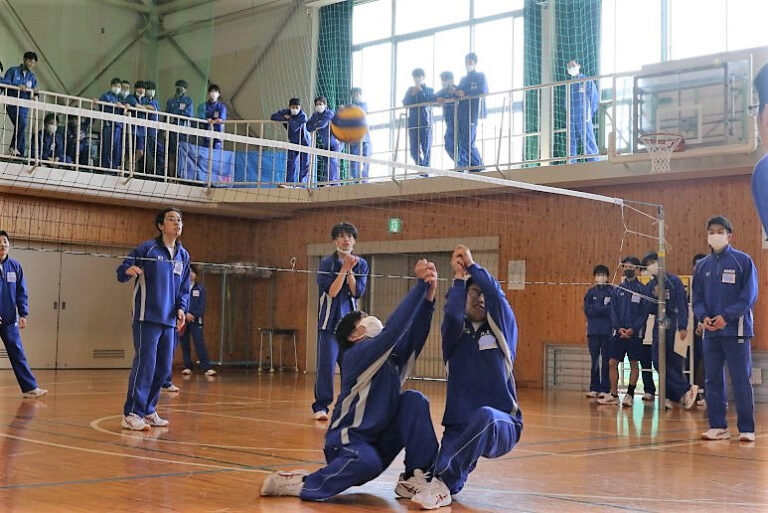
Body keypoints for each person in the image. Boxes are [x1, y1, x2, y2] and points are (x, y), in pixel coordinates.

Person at [260, 260, 439, 501]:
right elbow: (395, 330)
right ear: (355, 335)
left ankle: (415, 476)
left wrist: (428, 300)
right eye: (364, 319)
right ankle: (302, 483)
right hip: (347, 443)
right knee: (366, 460)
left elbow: (415, 336)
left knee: (414, 400)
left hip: (378, 441)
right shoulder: (356, 356)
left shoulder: (390, 358)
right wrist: (418, 287)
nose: (372, 319)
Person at [409, 245, 521, 510]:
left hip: (501, 424)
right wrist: (459, 279)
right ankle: (435, 482)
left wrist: (472, 267)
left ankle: (439, 485)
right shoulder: (453, 337)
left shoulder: (503, 333)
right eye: (474, 292)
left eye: (484, 294)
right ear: (464, 295)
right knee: (447, 477)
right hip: (460, 426)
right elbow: (451, 314)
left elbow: (496, 295)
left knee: (486, 416)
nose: (481, 298)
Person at [116, 207, 190, 431]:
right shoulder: (147, 249)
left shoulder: (183, 255)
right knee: (145, 365)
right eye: (171, 219)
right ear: (161, 225)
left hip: (169, 321)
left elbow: (183, 288)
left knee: (163, 368)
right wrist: (128, 271)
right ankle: (132, 413)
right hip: (146, 317)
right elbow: (121, 270)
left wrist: (181, 308)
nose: (177, 223)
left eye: (179, 220)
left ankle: (148, 410)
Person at [693, 216, 757, 442]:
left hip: (736, 331)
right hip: (711, 332)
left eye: (720, 231)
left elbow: (748, 296)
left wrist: (726, 317)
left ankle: (747, 428)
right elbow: (697, 299)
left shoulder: (743, 261)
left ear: (729, 235)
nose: (715, 235)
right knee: (712, 380)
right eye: (712, 231)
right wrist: (704, 317)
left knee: (740, 379)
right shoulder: (702, 267)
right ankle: (718, 426)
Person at [312, 222, 369, 420]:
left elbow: (357, 292)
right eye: (342, 236)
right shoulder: (327, 263)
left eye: (350, 236)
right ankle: (321, 406)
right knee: (326, 368)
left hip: (350, 328)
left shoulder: (361, 264)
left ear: (354, 240)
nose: (346, 240)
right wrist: (344, 268)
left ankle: (349, 406)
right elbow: (333, 291)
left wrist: (351, 270)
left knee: (351, 368)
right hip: (329, 326)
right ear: (335, 240)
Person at [641, 252, 698, 409]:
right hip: (659, 325)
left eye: (653, 262)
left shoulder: (674, 282)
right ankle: (685, 390)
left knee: (673, 363)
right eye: (648, 264)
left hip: (673, 325)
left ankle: (674, 396)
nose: (651, 266)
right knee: (658, 362)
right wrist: (655, 296)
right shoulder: (650, 286)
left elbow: (682, 305)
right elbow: (648, 309)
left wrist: (683, 326)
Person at [0, 231, 47, 398]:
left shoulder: (15, 266)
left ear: (9, 245)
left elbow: (21, 292)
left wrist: (23, 313)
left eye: (5, 241)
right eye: (0, 242)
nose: (3, 245)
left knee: (17, 352)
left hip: (9, 319)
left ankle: (29, 388)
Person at [597, 256, 648, 407]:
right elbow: (613, 311)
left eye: (631, 266)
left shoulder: (642, 290)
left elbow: (643, 314)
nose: (628, 268)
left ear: (637, 269)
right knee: (612, 362)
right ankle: (614, 395)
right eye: (625, 266)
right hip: (618, 333)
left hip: (634, 335)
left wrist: (633, 329)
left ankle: (630, 395)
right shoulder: (617, 289)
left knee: (633, 363)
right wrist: (618, 328)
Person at [1, 51, 38, 157]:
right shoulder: (13, 71)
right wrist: (18, 86)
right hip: (12, 103)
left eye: (33, 63)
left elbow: (35, 93)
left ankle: (19, 154)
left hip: (24, 106)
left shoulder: (32, 77)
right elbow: (5, 84)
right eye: (30, 61)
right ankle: (14, 147)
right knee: (22, 124)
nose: (31, 64)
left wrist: (35, 92)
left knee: (21, 126)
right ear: (24, 60)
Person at [180, 264, 216, 376]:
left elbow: (202, 305)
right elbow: (178, 302)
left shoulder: (200, 289)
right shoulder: (181, 288)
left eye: (193, 272)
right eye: (189, 272)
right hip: (183, 320)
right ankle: (187, 366)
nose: (191, 274)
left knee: (199, 343)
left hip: (195, 321)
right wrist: (185, 314)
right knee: (184, 344)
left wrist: (193, 314)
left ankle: (206, 368)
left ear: (196, 275)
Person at [583, 264, 612, 399]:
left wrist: (597, 309)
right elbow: (588, 311)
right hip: (593, 331)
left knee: (606, 360)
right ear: (595, 277)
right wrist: (601, 308)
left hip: (607, 331)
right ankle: (594, 387)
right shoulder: (590, 293)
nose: (601, 277)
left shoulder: (612, 292)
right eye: (599, 275)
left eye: (603, 275)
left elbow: (611, 310)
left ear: (607, 277)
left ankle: (605, 389)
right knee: (595, 360)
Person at [456, 53, 488, 170]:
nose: (467, 65)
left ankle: (477, 165)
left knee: (469, 141)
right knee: (462, 141)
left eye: (470, 62)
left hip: (472, 112)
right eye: (466, 62)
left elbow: (483, 90)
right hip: (462, 113)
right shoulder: (463, 79)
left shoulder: (480, 76)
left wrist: (467, 93)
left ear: (474, 63)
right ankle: (472, 165)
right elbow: (458, 92)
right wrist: (456, 93)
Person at [565, 59, 599, 162]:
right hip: (572, 116)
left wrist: (589, 114)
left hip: (584, 115)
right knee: (571, 141)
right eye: (569, 66)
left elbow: (594, 98)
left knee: (588, 139)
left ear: (579, 66)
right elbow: (566, 102)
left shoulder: (586, 80)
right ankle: (571, 162)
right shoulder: (569, 84)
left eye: (573, 65)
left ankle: (594, 161)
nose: (571, 67)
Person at [270, 98, 310, 186]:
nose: (295, 109)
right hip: (293, 141)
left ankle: (302, 184)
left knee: (304, 164)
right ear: (289, 107)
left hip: (304, 142)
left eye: (297, 107)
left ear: (300, 107)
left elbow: (295, 127)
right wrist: (284, 117)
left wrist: (289, 119)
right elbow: (273, 117)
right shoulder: (286, 112)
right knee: (291, 163)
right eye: (293, 107)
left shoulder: (303, 116)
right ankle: (289, 183)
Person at [402, 68, 434, 168]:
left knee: (426, 147)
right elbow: (405, 102)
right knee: (413, 150)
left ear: (423, 77)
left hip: (425, 122)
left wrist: (420, 91)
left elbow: (427, 100)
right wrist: (412, 94)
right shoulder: (410, 90)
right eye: (415, 77)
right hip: (413, 123)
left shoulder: (429, 89)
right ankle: (421, 167)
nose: (417, 79)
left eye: (419, 77)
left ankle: (426, 168)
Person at [306, 96, 341, 184]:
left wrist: (316, 125)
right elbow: (308, 126)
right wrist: (315, 125)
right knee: (327, 162)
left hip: (336, 142)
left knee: (332, 160)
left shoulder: (330, 113)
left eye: (320, 104)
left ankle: (334, 183)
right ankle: (330, 182)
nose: (319, 106)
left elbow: (323, 124)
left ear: (325, 105)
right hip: (326, 144)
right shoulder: (315, 115)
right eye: (317, 105)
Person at [688, 253, 708, 406]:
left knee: (708, 363)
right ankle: (694, 393)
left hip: (708, 329)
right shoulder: (691, 286)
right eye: (696, 265)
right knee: (691, 363)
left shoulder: (711, 284)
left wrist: (703, 323)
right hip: (692, 333)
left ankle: (707, 394)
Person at [97, 77, 128, 170]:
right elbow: (101, 108)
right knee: (107, 147)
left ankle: (114, 168)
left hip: (118, 126)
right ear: (112, 86)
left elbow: (126, 108)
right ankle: (106, 168)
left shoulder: (121, 97)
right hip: (109, 125)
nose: (118, 88)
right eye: (116, 86)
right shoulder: (105, 96)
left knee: (117, 148)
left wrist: (122, 106)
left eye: (119, 86)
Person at [166, 79, 194, 175]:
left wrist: (177, 113)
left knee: (182, 155)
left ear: (185, 90)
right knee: (171, 154)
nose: (179, 89)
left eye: (181, 88)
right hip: (172, 131)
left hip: (183, 131)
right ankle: (170, 176)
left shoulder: (188, 101)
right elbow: (167, 114)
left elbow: (188, 114)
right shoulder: (171, 100)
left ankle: (180, 176)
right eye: (177, 87)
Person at [434, 71, 460, 164]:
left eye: (445, 80)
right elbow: (432, 98)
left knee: (462, 145)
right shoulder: (442, 92)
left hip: (460, 121)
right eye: (442, 80)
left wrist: (456, 93)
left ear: (451, 80)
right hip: (449, 122)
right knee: (448, 144)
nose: (443, 82)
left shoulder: (458, 89)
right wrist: (437, 100)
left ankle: (469, 165)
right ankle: (459, 163)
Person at [348, 87, 371, 181]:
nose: (356, 96)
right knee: (354, 160)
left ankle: (364, 179)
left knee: (366, 158)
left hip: (365, 136)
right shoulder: (350, 106)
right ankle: (356, 179)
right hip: (354, 138)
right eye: (354, 95)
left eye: (357, 94)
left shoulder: (364, 105)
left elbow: (360, 111)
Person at [143, 81, 165, 175]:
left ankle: (157, 173)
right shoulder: (143, 101)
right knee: (147, 154)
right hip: (146, 131)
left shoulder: (156, 102)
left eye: (153, 89)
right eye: (149, 89)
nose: (151, 91)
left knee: (159, 153)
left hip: (156, 131)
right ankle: (145, 173)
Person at [202, 84, 227, 149]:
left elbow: (221, 119)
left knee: (217, 152)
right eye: (212, 91)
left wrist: (212, 121)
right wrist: (207, 119)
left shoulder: (222, 107)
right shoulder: (205, 105)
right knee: (206, 150)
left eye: (215, 92)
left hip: (218, 134)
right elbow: (202, 116)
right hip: (207, 133)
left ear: (218, 94)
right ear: (209, 93)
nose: (213, 93)